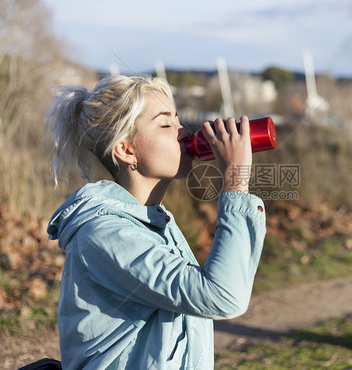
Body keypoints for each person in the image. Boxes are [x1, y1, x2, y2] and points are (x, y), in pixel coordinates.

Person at [45, 75, 266, 369]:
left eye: (178, 120)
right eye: (166, 124)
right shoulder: (106, 234)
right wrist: (235, 180)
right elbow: (223, 296)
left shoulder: (154, 221)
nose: (185, 133)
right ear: (126, 150)